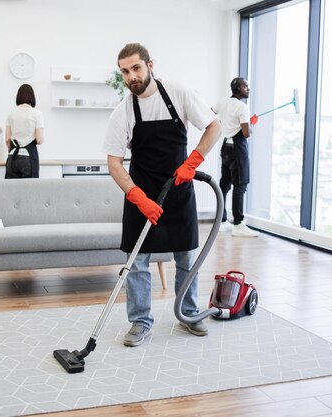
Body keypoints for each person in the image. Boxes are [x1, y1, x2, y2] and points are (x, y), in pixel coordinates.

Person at [102, 43, 221, 347]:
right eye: (125, 71)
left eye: (136, 68)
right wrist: (137, 197)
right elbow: (114, 162)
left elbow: (213, 125)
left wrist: (192, 162)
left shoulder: (178, 92)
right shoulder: (124, 111)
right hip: (142, 193)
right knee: (137, 262)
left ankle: (188, 313)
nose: (132, 76)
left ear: (150, 65)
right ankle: (141, 322)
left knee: (186, 257)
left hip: (179, 190)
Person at [211, 77, 260, 237]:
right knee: (240, 185)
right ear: (238, 88)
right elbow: (246, 134)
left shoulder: (223, 102)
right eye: (246, 86)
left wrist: (223, 123)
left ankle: (223, 220)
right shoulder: (242, 107)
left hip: (225, 148)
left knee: (224, 185)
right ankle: (239, 224)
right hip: (237, 150)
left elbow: (209, 113)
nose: (248, 89)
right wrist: (251, 123)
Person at [5, 84, 44, 178]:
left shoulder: (11, 113)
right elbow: (39, 140)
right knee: (29, 191)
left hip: (12, 157)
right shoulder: (37, 114)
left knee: (11, 190)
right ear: (32, 97)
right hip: (29, 158)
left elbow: (7, 139)